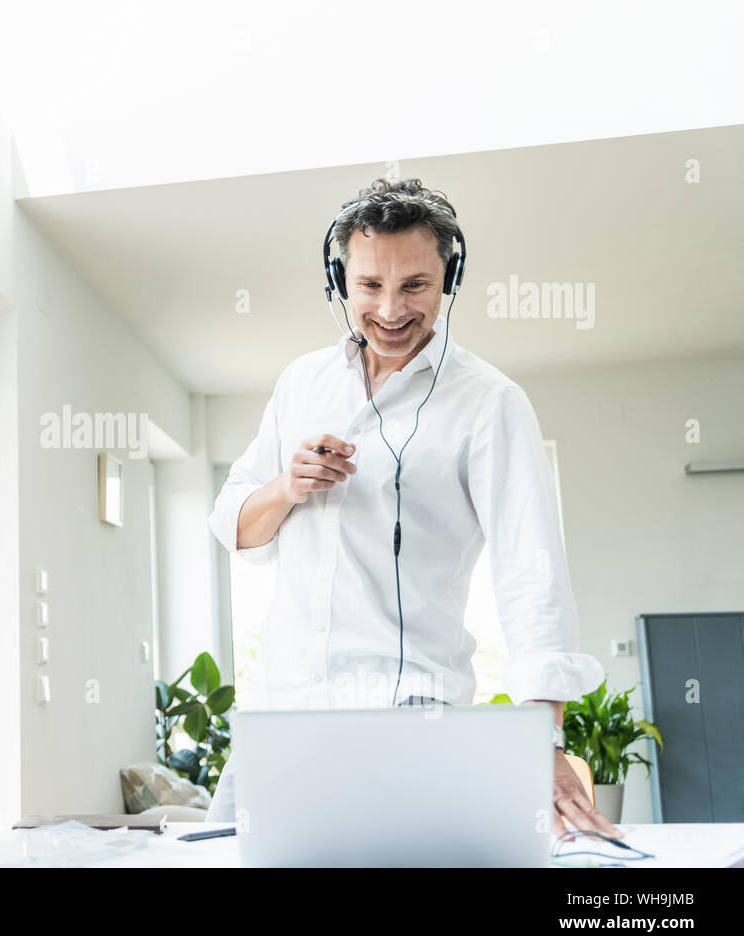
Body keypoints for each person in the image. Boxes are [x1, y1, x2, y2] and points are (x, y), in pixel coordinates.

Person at [206, 178, 617, 841]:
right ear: (338, 279)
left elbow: (531, 573)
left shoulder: (489, 401)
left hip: (413, 725)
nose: (391, 309)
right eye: (369, 285)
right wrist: (287, 486)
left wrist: (542, 739)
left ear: (449, 278)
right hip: (285, 721)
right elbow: (235, 528)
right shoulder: (300, 383)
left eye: (415, 286)